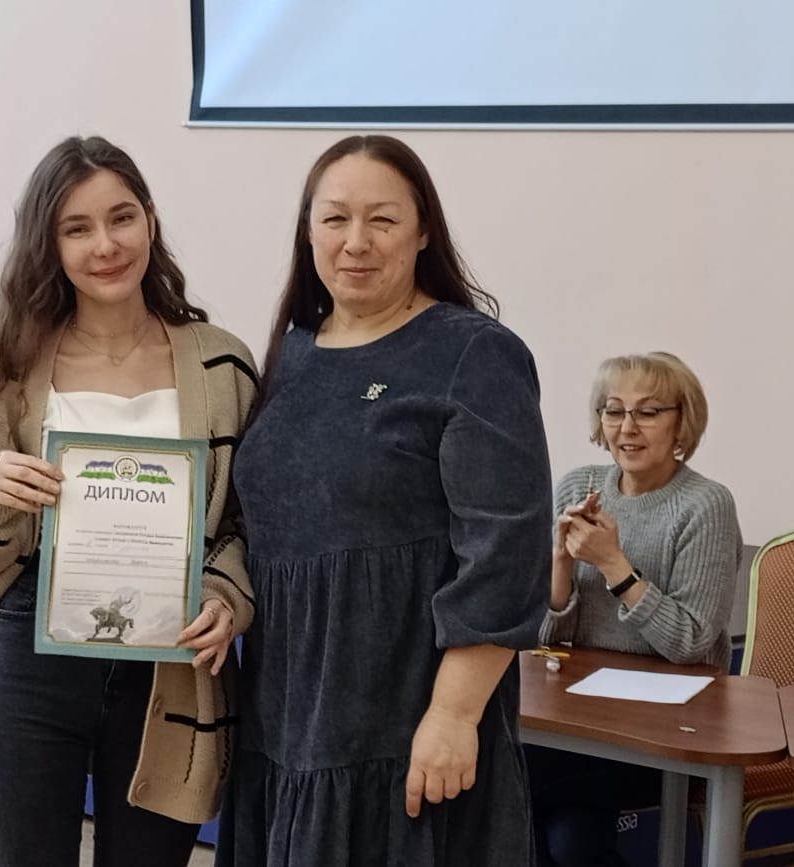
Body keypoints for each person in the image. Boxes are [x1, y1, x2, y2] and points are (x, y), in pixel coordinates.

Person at [214, 135, 552, 867]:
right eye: (335, 218)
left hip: (408, 729)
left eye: (383, 219)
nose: (356, 242)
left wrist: (454, 714)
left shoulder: (473, 353)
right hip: (284, 720)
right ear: (308, 231)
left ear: (424, 230)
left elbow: (507, 556)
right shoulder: (293, 352)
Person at [0, 135, 258, 867]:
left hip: (171, 665)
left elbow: (248, 524)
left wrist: (226, 593)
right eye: (77, 228)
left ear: (150, 220)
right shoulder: (7, 373)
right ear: (48, 245)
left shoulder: (223, 364)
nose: (105, 245)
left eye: (121, 217)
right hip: (29, 658)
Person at [528, 351, 743, 867]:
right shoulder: (578, 486)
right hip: (576, 721)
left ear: (681, 422)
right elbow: (540, 641)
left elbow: (691, 645)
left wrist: (614, 565)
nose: (627, 427)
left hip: (669, 730)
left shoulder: (706, 505)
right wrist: (560, 564)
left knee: (502, 778)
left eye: (648, 412)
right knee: (568, 841)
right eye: (614, 411)